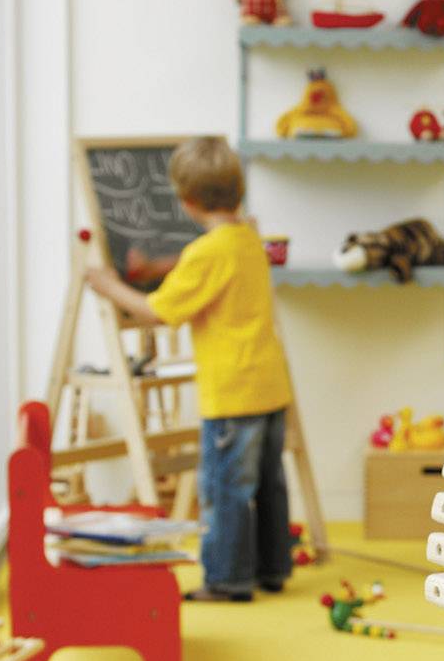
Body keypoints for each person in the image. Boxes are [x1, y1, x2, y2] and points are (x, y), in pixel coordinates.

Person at [87, 136, 294, 603]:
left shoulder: (206, 253)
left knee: (225, 490)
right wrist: (157, 265)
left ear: (186, 201)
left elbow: (159, 311)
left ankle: (226, 579)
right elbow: (204, 268)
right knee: (267, 485)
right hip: (268, 384)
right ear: (237, 192)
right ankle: (272, 568)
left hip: (232, 392)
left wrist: (106, 286)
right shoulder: (246, 238)